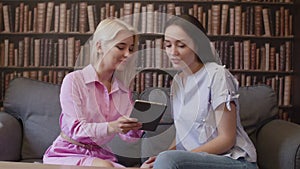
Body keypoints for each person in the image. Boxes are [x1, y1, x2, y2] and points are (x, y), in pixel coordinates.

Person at [43, 18, 154, 168]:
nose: (128, 54)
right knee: (105, 167)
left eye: (131, 48)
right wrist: (113, 126)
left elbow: (128, 138)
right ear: (100, 46)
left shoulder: (123, 91)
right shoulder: (74, 81)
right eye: (121, 47)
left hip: (101, 156)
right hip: (67, 153)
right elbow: (76, 130)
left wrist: (137, 126)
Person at [153, 15, 258, 169]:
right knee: (160, 159)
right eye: (168, 45)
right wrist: (163, 156)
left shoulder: (217, 75)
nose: (172, 52)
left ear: (197, 44)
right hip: (197, 161)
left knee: (168, 159)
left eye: (181, 45)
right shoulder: (177, 82)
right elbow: (184, 136)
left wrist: (179, 159)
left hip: (233, 161)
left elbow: (227, 139)